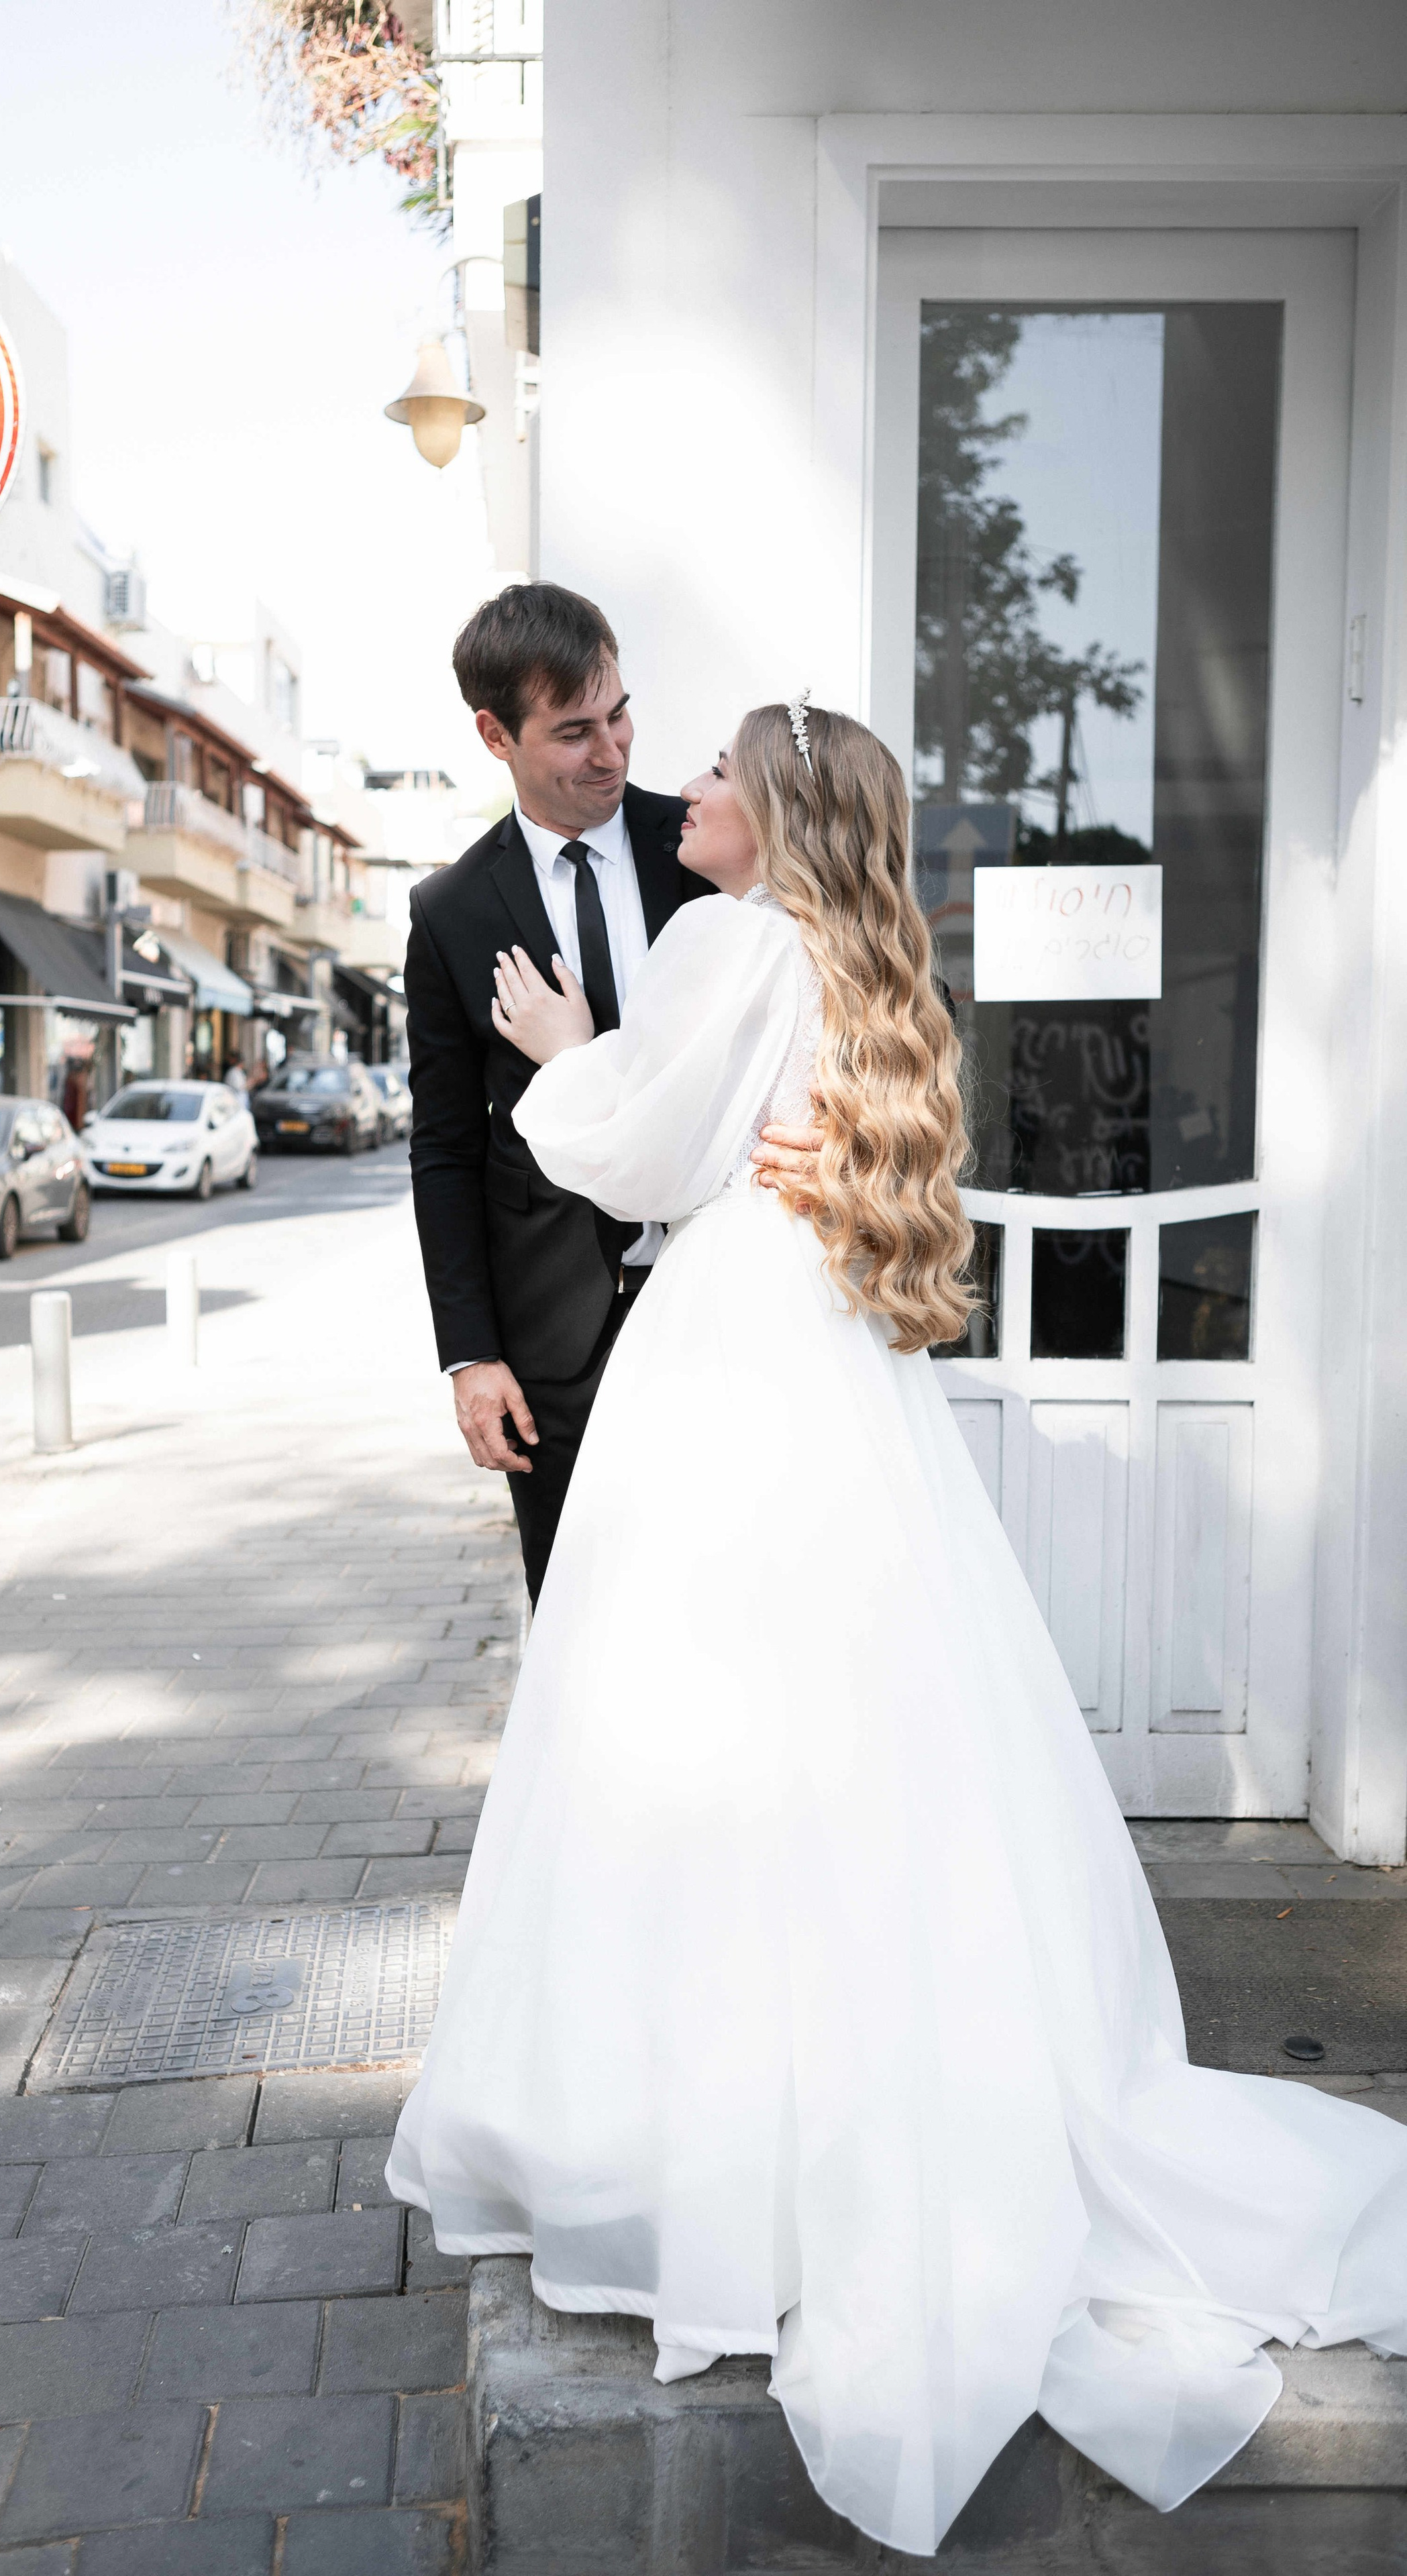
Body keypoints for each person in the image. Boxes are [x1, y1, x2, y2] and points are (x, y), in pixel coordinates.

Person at [388, 700, 1407, 2559]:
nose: (683, 789)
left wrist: (556, 1051)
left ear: (768, 815)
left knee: (692, 1723)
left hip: (727, 1349)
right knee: (849, 1718)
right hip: (827, 1355)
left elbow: (642, 1153)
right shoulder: (847, 960)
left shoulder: (722, 938)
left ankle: (715, 2158)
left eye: (711, 772)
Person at [404, 582, 717, 1603]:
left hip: (722, 1306)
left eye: (620, 713)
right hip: (552, 1346)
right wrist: (471, 1356)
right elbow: (444, 1147)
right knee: (584, 1621)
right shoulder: (448, 912)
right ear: (496, 735)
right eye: (575, 731)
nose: (614, 752)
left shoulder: (713, 850)